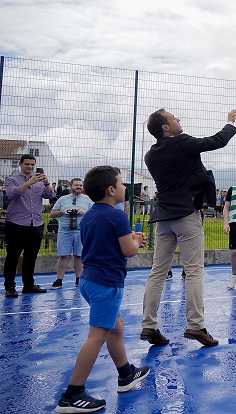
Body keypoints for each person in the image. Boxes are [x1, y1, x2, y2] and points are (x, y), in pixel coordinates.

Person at [140, 108, 236, 348]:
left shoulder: (149, 156)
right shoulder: (182, 143)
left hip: (163, 217)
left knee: (158, 271)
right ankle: (196, 326)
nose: (178, 120)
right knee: (194, 271)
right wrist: (229, 122)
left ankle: (149, 325)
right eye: (174, 118)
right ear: (166, 127)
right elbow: (217, 141)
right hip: (186, 215)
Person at [54, 166, 149, 413]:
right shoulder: (117, 216)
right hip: (106, 285)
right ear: (111, 190)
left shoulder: (90, 216)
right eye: (121, 183)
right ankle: (72, 394)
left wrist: (129, 238)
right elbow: (128, 251)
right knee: (97, 336)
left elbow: (102, 242)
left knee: (115, 327)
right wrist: (136, 240)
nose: (125, 187)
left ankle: (126, 373)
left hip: (89, 281)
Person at [3, 154, 54, 297]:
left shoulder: (39, 182)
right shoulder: (11, 180)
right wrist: (28, 182)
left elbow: (49, 196)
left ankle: (28, 285)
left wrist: (46, 182)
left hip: (36, 223)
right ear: (20, 164)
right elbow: (12, 195)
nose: (30, 167)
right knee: (13, 256)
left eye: (32, 165)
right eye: (27, 164)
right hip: (16, 223)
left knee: (31, 257)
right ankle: (10, 287)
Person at [49, 178, 94, 289]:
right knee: (63, 256)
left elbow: (95, 214)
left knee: (79, 256)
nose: (78, 187)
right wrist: (62, 212)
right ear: (71, 186)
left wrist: (84, 212)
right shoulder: (62, 199)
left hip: (81, 231)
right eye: (76, 185)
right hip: (65, 231)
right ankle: (59, 280)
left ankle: (78, 279)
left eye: (80, 185)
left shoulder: (88, 200)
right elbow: (52, 214)